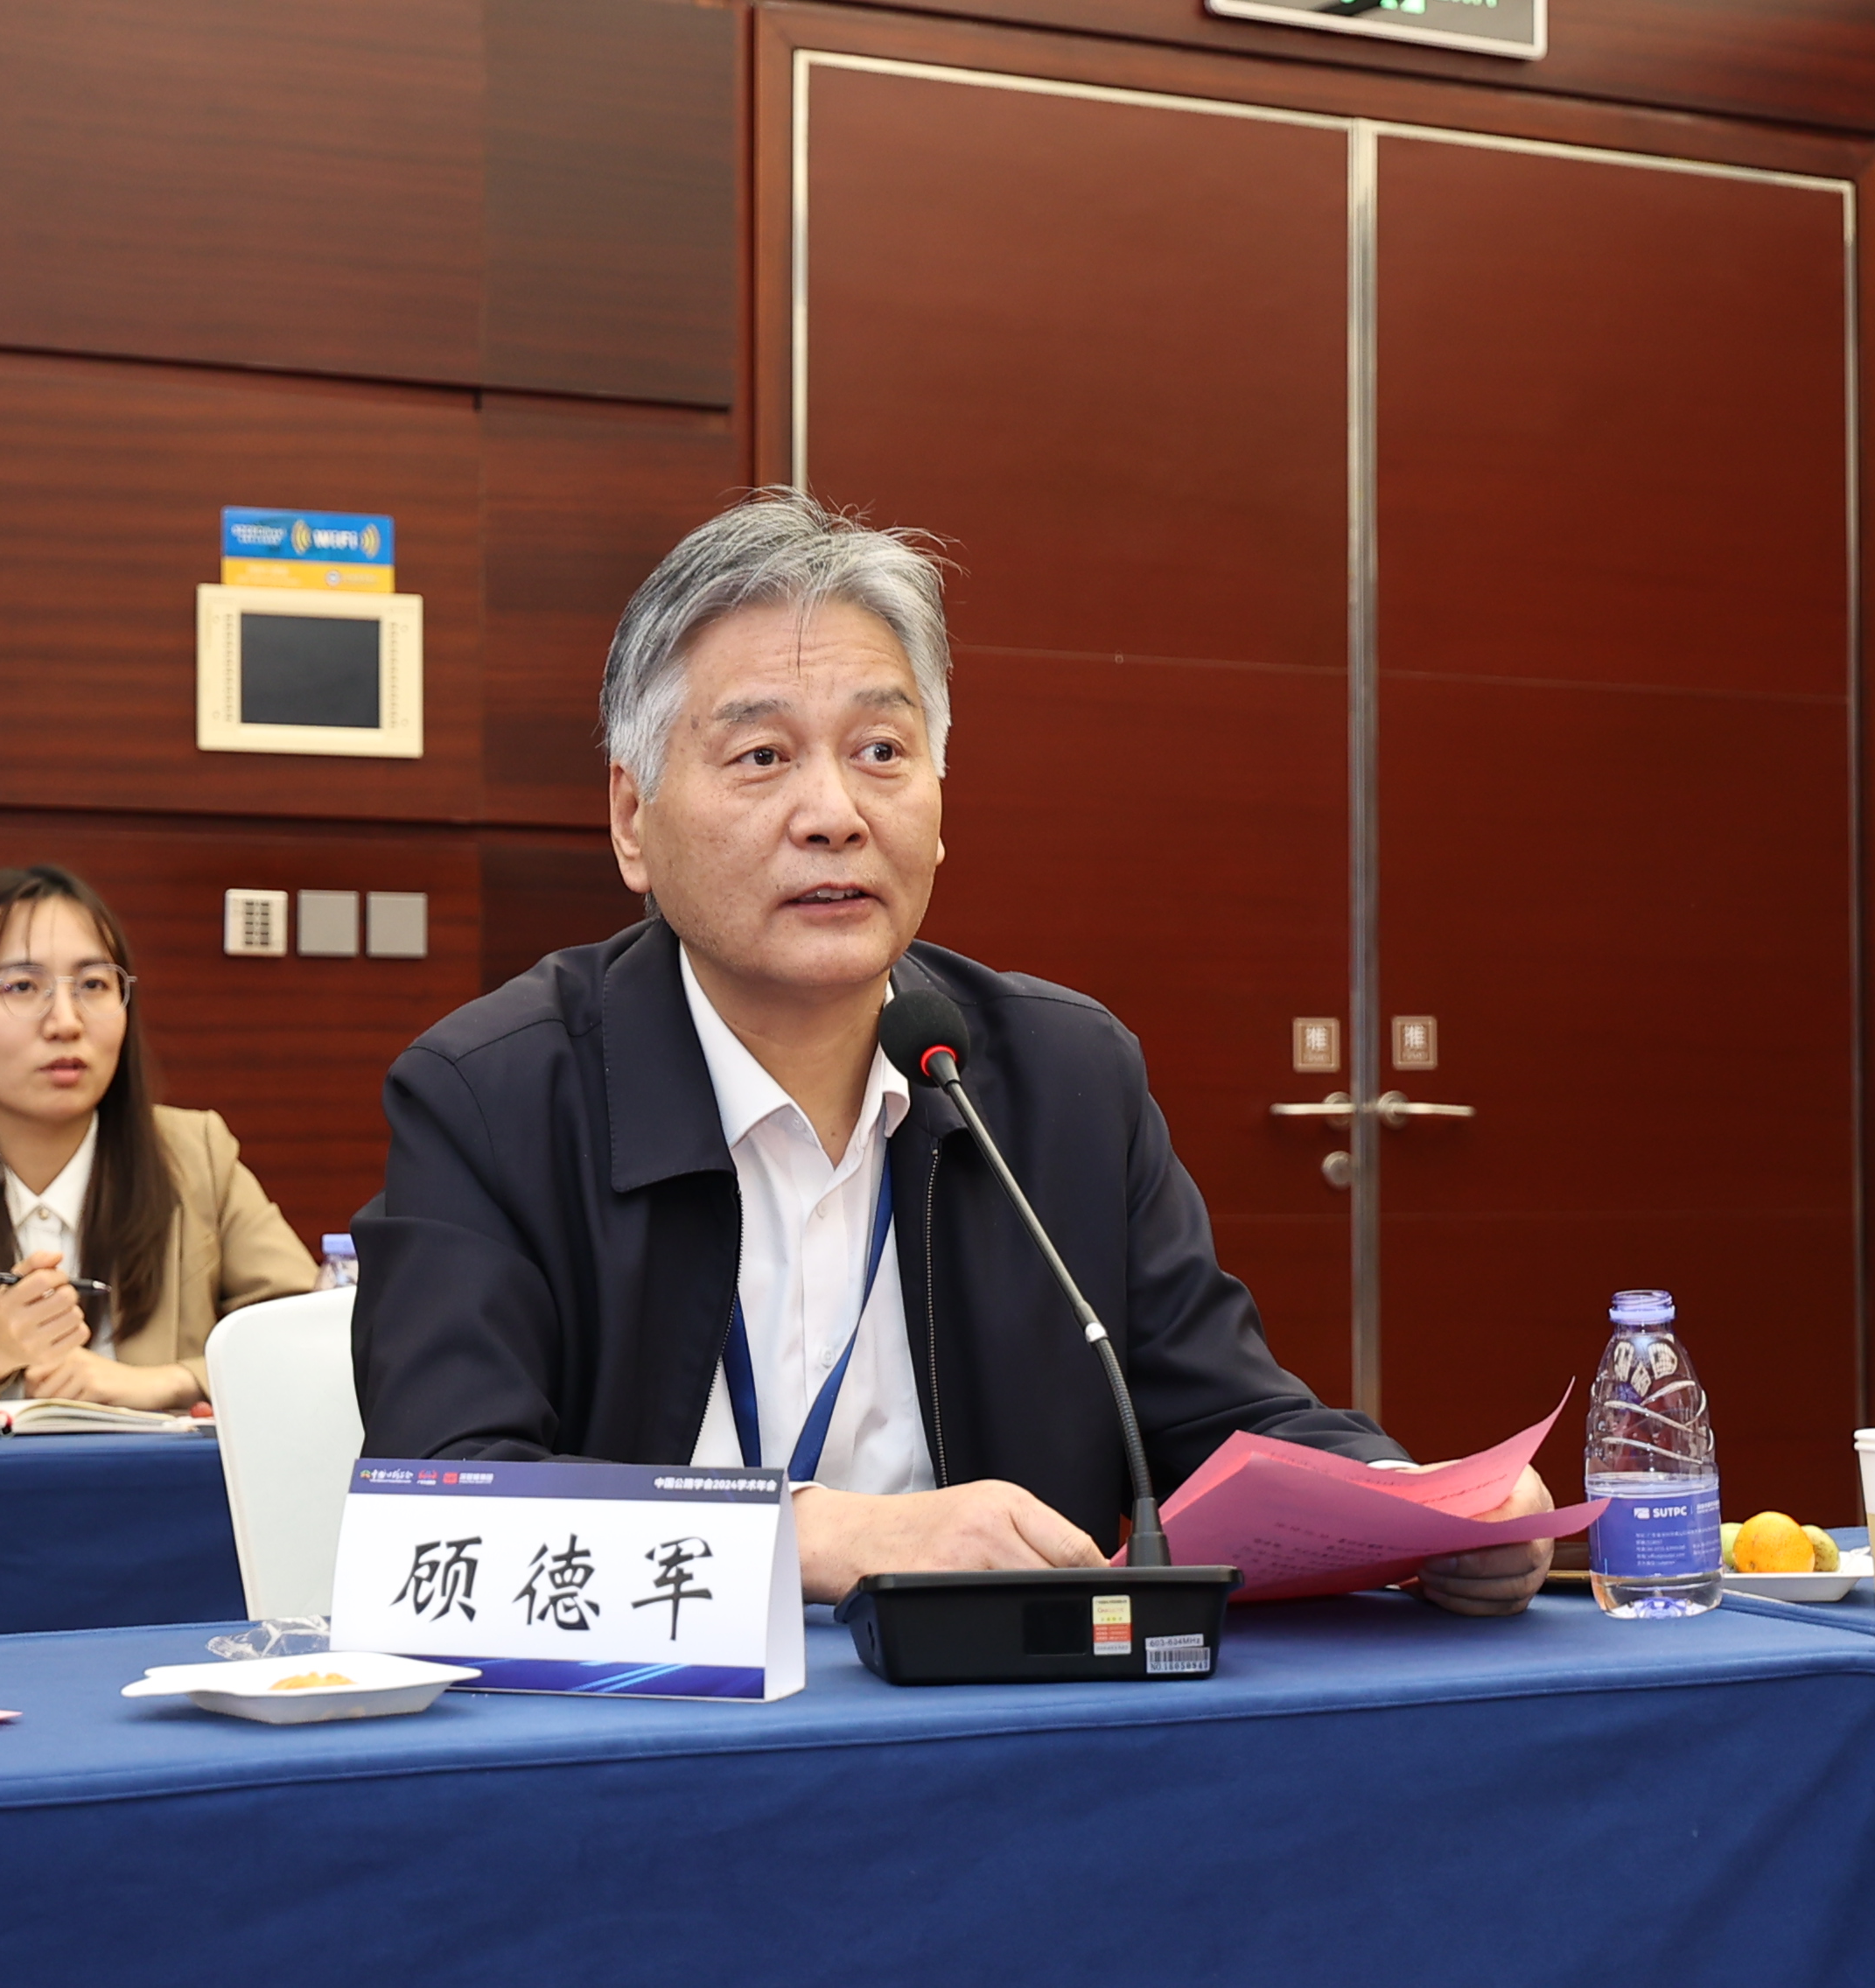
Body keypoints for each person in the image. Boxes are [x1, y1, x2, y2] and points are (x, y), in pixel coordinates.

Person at [354, 494, 1557, 1612]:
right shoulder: (496, 1097)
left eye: (882, 751)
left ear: (938, 797)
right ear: (633, 818)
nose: (835, 814)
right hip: (649, 1740)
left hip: (1006, 1731)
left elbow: (1223, 1423)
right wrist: (827, 1538)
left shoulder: (1063, 1080)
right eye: (762, 757)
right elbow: (441, 1518)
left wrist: (1417, 1504)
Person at [0, 865, 317, 1408]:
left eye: (94, 985)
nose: (65, 1022)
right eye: (21, 986)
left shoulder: (198, 1155)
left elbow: (313, 1332)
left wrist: (163, 1382)